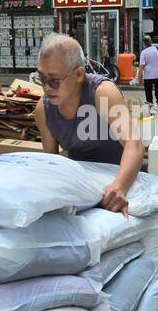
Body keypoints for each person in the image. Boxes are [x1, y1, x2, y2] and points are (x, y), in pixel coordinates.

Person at [33, 34, 144, 212]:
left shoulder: (102, 93)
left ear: (78, 74)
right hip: (83, 184)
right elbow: (51, 161)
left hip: (120, 176)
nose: (46, 88)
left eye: (54, 81)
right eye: (41, 79)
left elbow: (134, 144)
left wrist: (120, 185)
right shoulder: (43, 109)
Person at [135, 36, 158, 114]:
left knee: (148, 93)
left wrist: (139, 79)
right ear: (151, 41)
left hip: (148, 76)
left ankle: (151, 110)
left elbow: (141, 67)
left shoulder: (144, 52)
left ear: (144, 43)